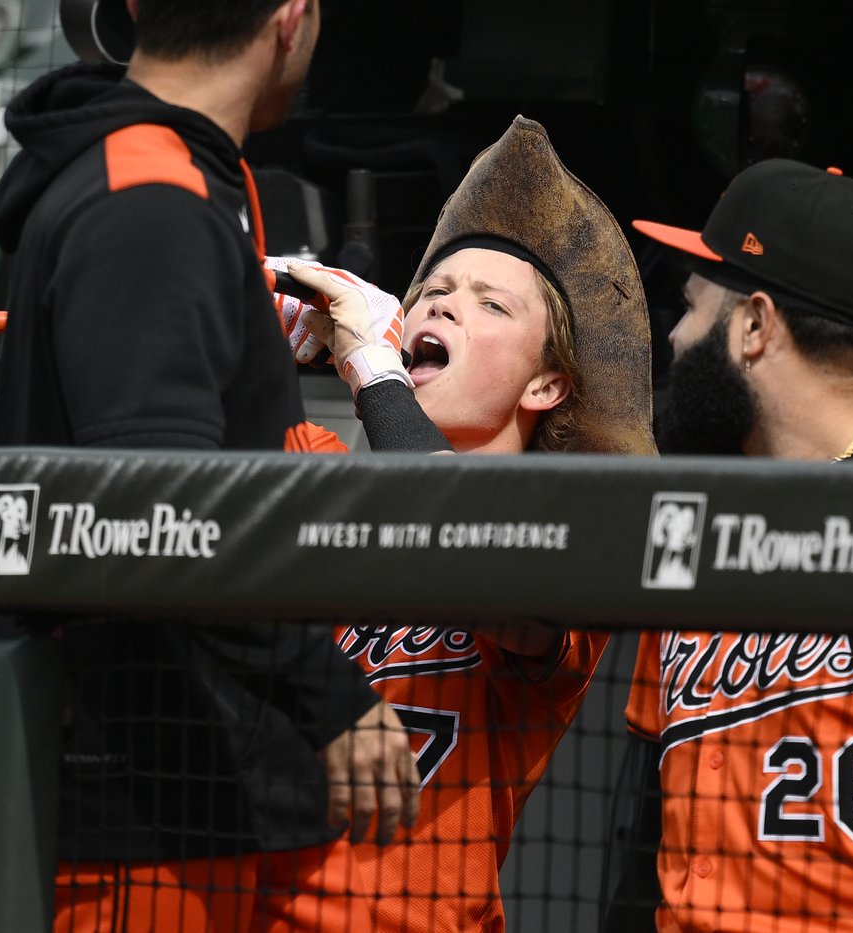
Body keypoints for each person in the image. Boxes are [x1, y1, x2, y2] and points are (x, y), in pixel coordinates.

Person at [0, 2, 419, 930]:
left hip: (175, 785)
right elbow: (160, 509)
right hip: (143, 812)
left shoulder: (159, 177)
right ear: (291, 20)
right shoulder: (150, 203)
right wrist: (332, 695)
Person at [259, 115, 656, 932]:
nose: (442, 305)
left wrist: (375, 372)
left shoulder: (570, 533)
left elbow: (462, 547)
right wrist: (247, 353)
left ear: (546, 385)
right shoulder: (323, 471)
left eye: (490, 304)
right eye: (431, 294)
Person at [611, 158, 853, 933]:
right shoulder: (692, 516)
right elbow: (644, 818)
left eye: (693, 306)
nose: (674, 334)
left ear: (755, 325)